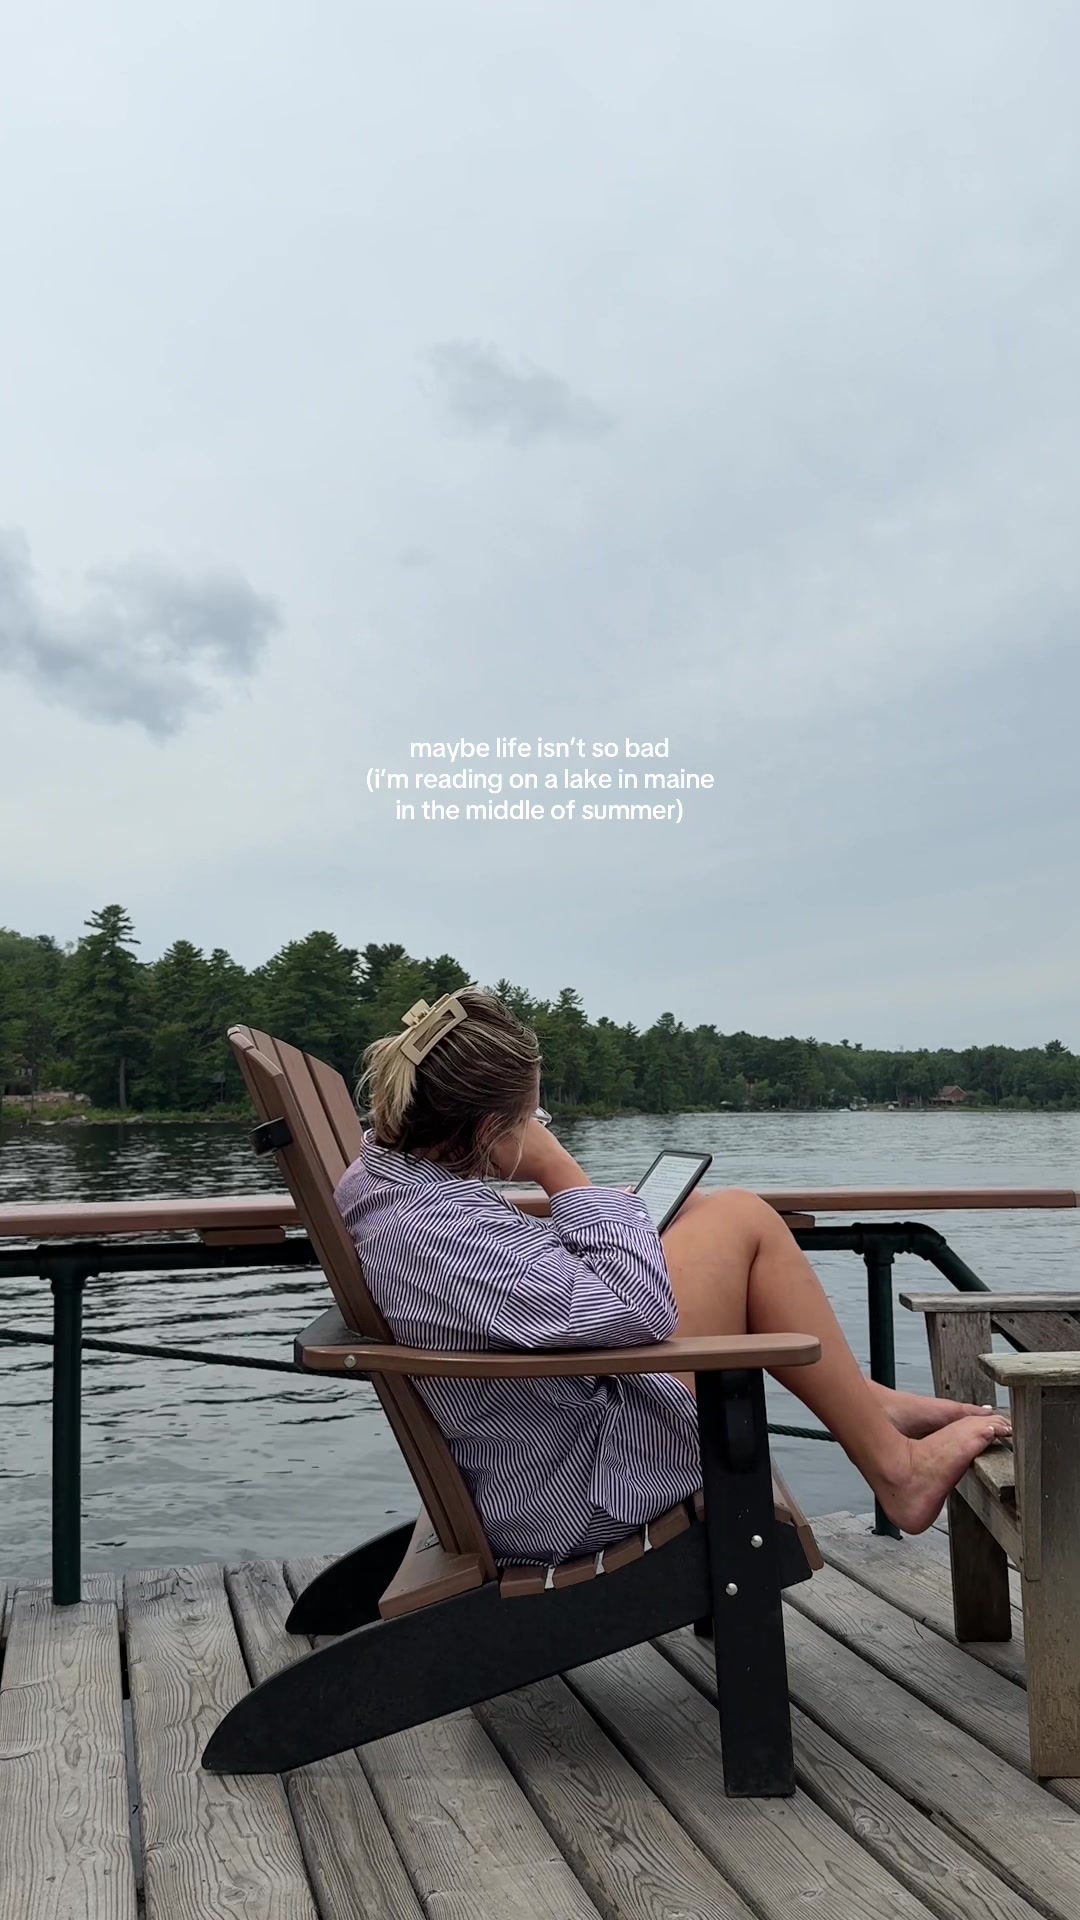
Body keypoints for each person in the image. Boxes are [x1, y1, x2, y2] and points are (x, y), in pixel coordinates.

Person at [334, 986, 1010, 1566]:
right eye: (536, 1120)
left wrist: (615, 1216)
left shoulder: (389, 1182)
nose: (542, 1132)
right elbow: (641, 1312)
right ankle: (896, 1468)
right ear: (489, 1131)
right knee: (742, 1217)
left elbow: (520, 1290)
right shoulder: (440, 1232)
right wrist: (560, 1171)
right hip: (575, 1493)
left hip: (547, 1447)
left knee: (707, 1213)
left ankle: (861, 1404)